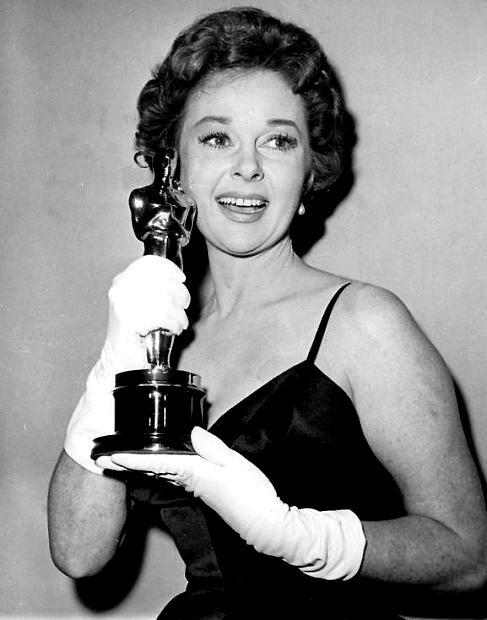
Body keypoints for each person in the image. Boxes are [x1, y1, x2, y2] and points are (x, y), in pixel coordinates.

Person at [47, 7, 487, 619]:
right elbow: (79, 552)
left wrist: (302, 538)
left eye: (278, 141)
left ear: (310, 173)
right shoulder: (156, 335)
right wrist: (114, 364)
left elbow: (471, 558)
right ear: (173, 168)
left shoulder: (365, 323)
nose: (248, 165)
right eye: (216, 138)